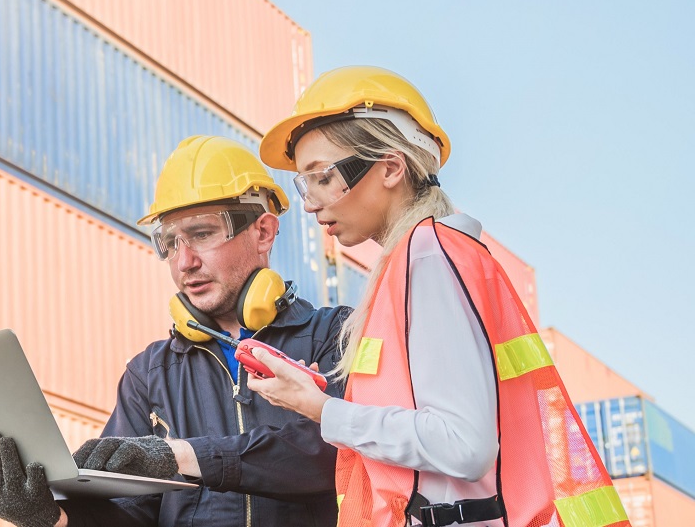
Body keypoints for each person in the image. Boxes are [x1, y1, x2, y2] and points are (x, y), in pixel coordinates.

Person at [246, 66, 626, 527]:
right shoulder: (422, 258)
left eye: (322, 176)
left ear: (390, 168)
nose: (309, 201)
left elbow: (464, 446)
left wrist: (320, 409)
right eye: (304, 184)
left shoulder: (427, 256)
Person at [0, 136, 351, 526]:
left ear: (262, 232)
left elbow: (333, 451)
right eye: (170, 243)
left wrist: (179, 456)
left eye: (201, 234)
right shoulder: (150, 373)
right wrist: (51, 518)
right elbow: (129, 515)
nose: (184, 261)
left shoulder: (336, 334)